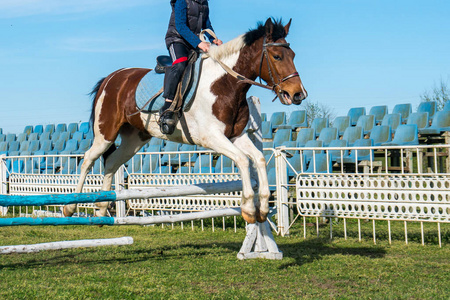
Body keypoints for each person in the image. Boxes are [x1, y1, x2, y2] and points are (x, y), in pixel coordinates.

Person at [160, 0, 223, 135]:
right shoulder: (181, 1)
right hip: (177, 40)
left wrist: (213, 40)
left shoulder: (204, 3)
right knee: (181, 63)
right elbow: (181, 26)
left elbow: (207, 24)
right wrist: (200, 43)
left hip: (193, 42)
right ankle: (167, 105)